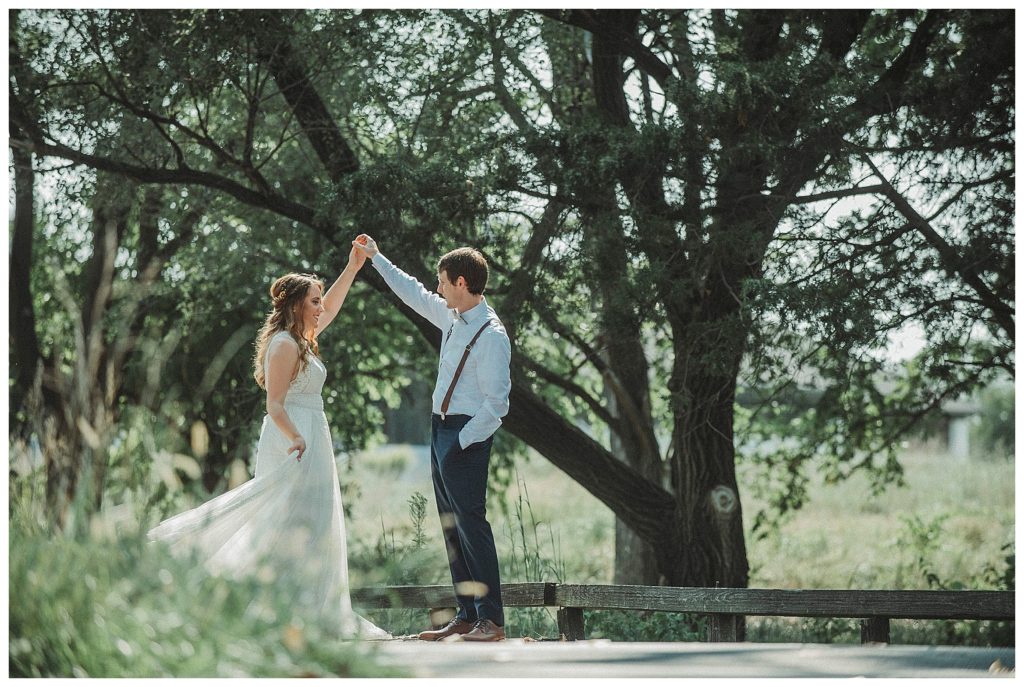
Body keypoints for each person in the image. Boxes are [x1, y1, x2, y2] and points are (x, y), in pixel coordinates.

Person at [147, 243, 389, 640]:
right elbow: (274, 405)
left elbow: (333, 306)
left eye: (318, 301)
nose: (319, 308)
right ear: (296, 305)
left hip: (314, 437)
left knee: (314, 524)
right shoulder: (284, 345)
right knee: (284, 522)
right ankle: (275, 609)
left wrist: (353, 267)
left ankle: (311, 611)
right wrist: (296, 437)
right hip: (292, 441)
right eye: (313, 301)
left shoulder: (304, 340)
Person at [353, 234, 511, 642]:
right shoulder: (452, 317)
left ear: (461, 282)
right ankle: (467, 613)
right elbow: (412, 292)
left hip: (465, 437)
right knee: (451, 529)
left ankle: (490, 621)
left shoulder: (492, 335)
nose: (437, 288)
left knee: (471, 526)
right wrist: (377, 256)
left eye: (443, 282)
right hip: (440, 429)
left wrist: (460, 443)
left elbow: (497, 406)